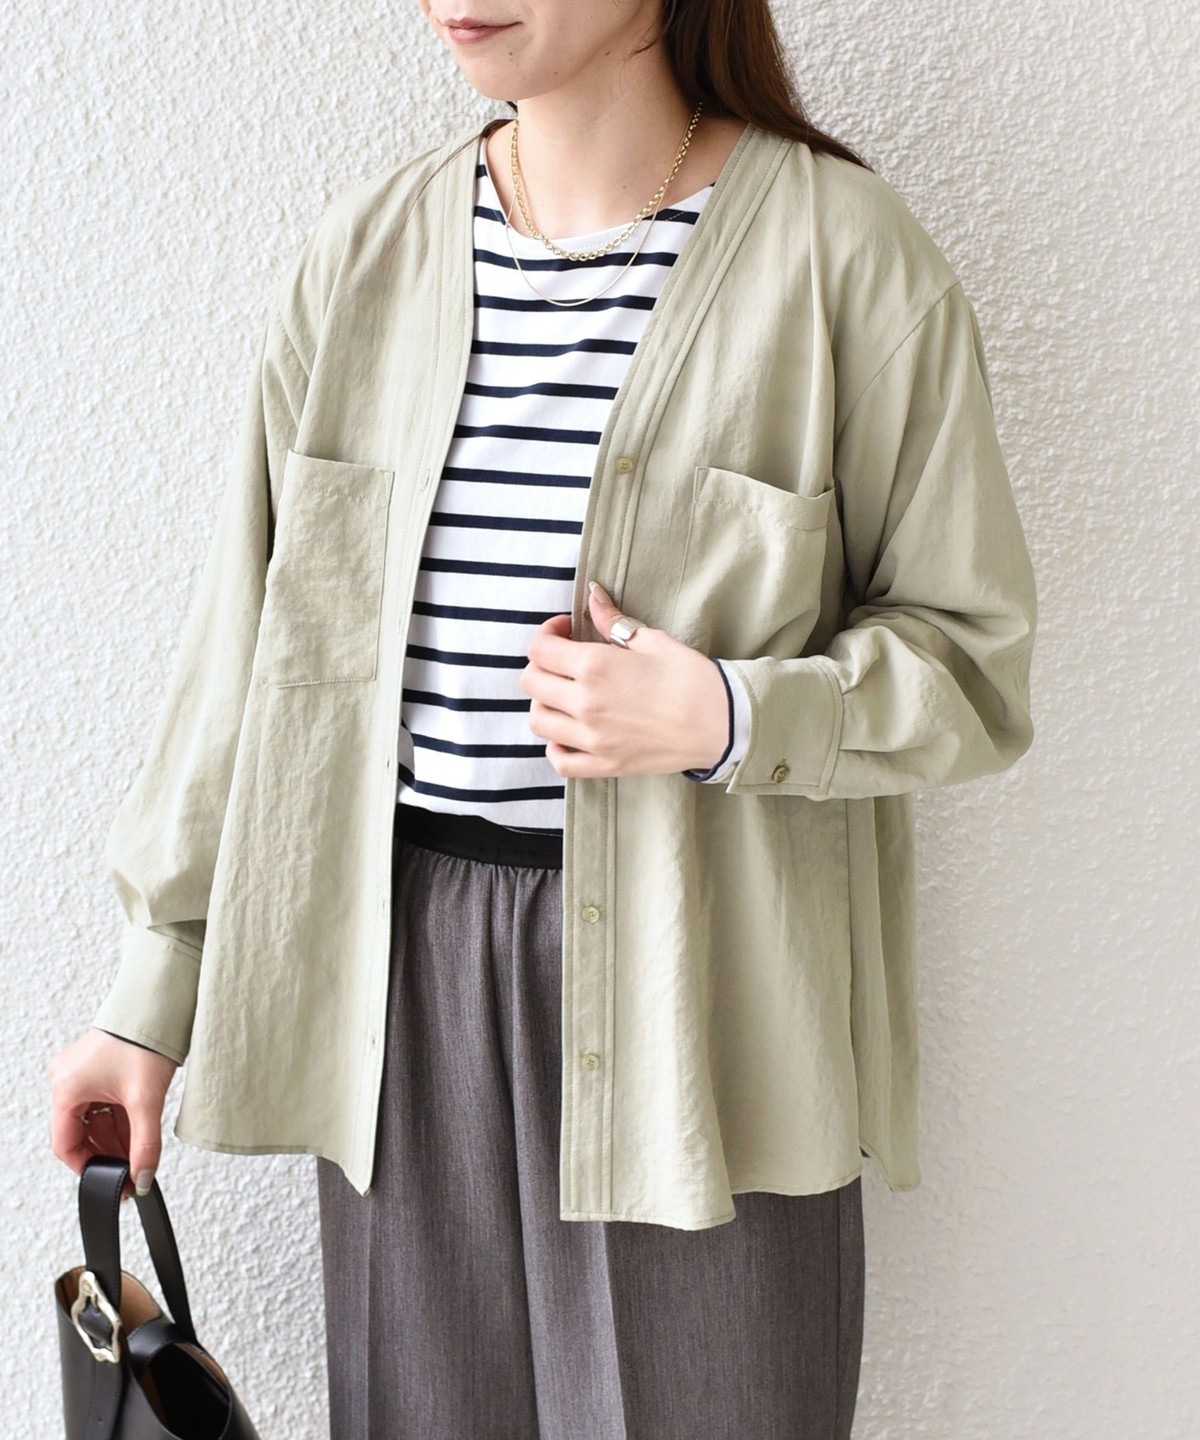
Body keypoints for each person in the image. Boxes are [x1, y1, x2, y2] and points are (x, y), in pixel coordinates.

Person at [48, 0, 1037, 1435]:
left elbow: (973, 662)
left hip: (709, 1003)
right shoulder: (363, 263)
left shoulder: (847, 259)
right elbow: (253, 665)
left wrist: (726, 714)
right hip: (405, 1002)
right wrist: (153, 993)